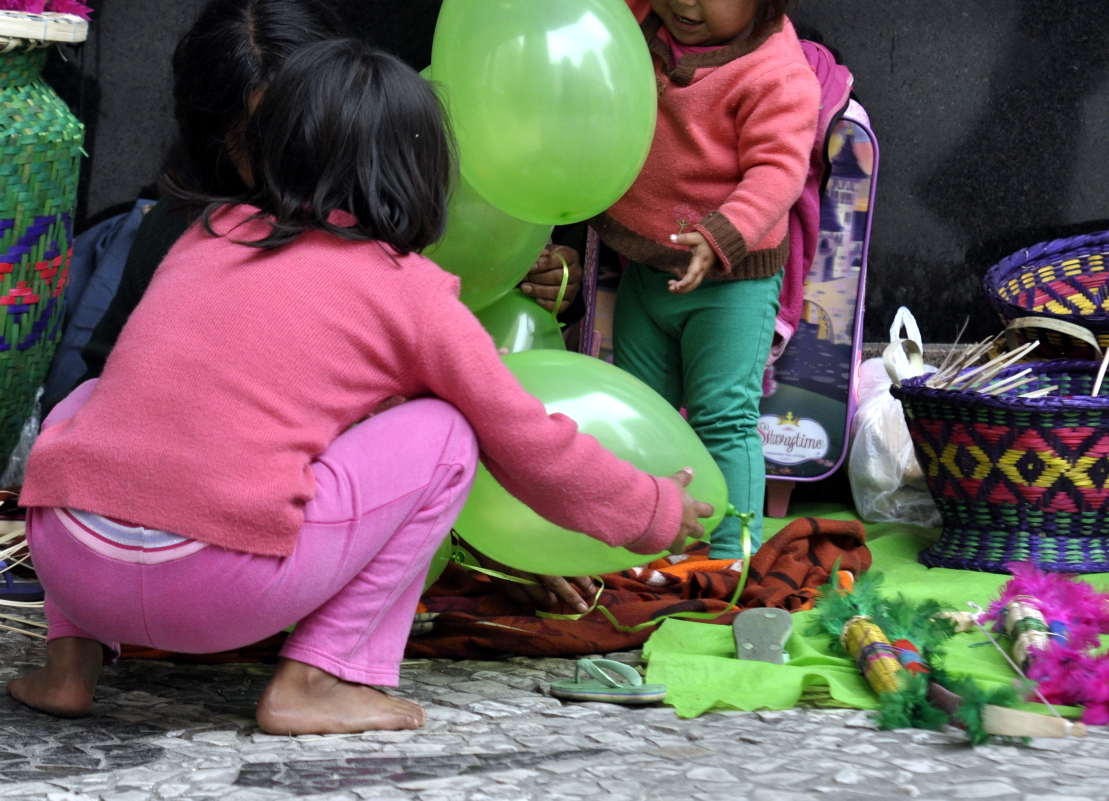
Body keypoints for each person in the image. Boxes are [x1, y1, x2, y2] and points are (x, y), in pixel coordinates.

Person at [7, 39, 712, 735]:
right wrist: (650, 508)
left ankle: (70, 669)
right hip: (216, 590)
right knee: (449, 434)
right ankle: (315, 680)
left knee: (92, 401)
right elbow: (527, 441)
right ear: (420, 174)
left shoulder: (209, 232)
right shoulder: (410, 291)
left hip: (73, 566)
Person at [62, 0, 590, 613]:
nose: (302, 159)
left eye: (313, 131)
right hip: (234, 545)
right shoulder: (188, 236)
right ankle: (325, 673)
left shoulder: (385, 218)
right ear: (217, 137)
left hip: (112, 567)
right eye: (266, 140)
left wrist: (507, 533)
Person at [589, 0, 819, 558]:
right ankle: (651, 543)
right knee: (646, 415)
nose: (685, 3)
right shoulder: (642, 24)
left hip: (731, 285)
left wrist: (723, 234)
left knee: (724, 417)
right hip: (648, 267)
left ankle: (731, 554)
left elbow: (779, 168)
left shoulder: (775, 71)